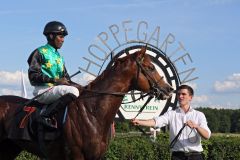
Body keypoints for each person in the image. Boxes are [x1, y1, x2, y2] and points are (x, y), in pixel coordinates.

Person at [131, 85, 211, 160]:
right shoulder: (171, 113)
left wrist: (196, 126)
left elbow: (207, 136)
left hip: (195, 157)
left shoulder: (199, 115)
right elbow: (156, 122)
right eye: (178, 94)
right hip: (177, 156)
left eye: (183, 94)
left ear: (190, 97)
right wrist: (140, 122)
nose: (180, 96)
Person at [27, 21, 80, 128]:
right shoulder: (39, 52)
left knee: (79, 90)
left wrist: (81, 86)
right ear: (51, 36)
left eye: (63, 37)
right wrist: (55, 80)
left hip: (55, 91)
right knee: (73, 91)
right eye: (60, 36)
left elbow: (67, 79)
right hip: (42, 90)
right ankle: (44, 116)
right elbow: (33, 77)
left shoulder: (59, 57)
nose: (63, 40)